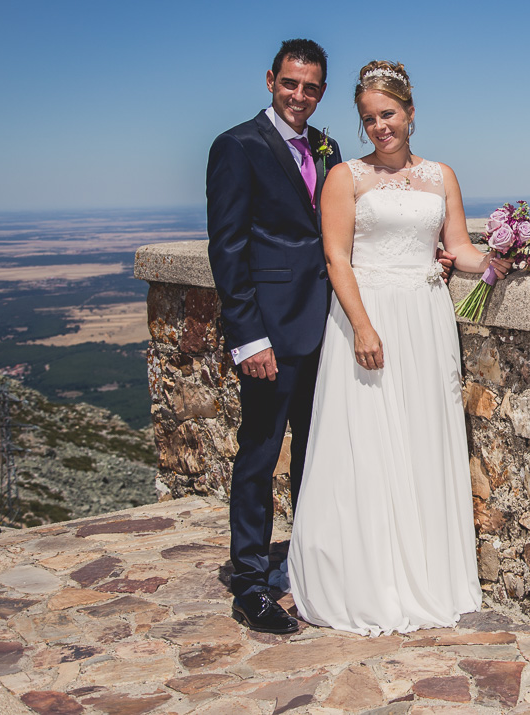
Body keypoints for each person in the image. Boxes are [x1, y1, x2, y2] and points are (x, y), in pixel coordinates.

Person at [288, 60, 512, 635]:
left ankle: (429, 576)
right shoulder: (346, 177)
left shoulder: (442, 176)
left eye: (388, 114)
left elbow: (456, 246)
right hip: (371, 318)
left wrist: (494, 262)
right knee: (366, 441)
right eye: (369, 118)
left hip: (427, 316)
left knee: (420, 438)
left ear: (410, 113)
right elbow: (337, 257)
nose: (379, 127)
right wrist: (362, 326)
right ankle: (370, 580)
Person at [206, 39, 340, 634]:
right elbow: (228, 249)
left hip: (326, 326)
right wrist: (248, 338)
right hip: (270, 332)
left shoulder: (326, 145)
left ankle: (310, 565)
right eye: (291, 83)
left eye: (311, 87)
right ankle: (251, 583)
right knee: (260, 454)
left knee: (316, 452)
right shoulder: (236, 146)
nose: (299, 96)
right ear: (270, 80)